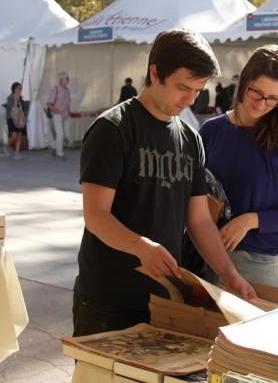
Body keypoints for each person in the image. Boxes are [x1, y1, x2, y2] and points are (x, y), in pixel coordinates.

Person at [74, 28, 255, 337]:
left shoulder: (190, 140)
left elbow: (198, 220)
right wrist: (141, 246)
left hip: (167, 300)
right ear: (155, 73)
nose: (190, 99)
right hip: (108, 299)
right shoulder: (112, 129)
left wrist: (229, 274)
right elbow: (96, 215)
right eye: (183, 87)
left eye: (198, 90)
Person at [199, 45, 278, 285]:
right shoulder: (211, 131)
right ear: (243, 83)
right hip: (205, 254)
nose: (262, 104)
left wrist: (250, 220)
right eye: (256, 93)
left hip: (257, 263)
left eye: (272, 99)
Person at [47, 71, 71, 159]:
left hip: (65, 115)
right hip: (57, 114)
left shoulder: (67, 90)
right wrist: (54, 110)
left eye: (68, 79)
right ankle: (59, 153)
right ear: (61, 80)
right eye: (66, 79)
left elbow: (68, 103)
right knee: (60, 134)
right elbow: (49, 103)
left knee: (65, 134)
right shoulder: (55, 89)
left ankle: (54, 146)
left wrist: (69, 113)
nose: (68, 81)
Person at [6, 82, 28, 160]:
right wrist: (15, 100)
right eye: (19, 88)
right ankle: (7, 147)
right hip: (11, 118)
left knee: (19, 135)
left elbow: (23, 108)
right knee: (14, 136)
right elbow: (9, 107)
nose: (20, 90)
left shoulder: (20, 98)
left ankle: (17, 153)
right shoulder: (10, 97)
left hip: (19, 119)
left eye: (21, 88)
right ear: (14, 89)